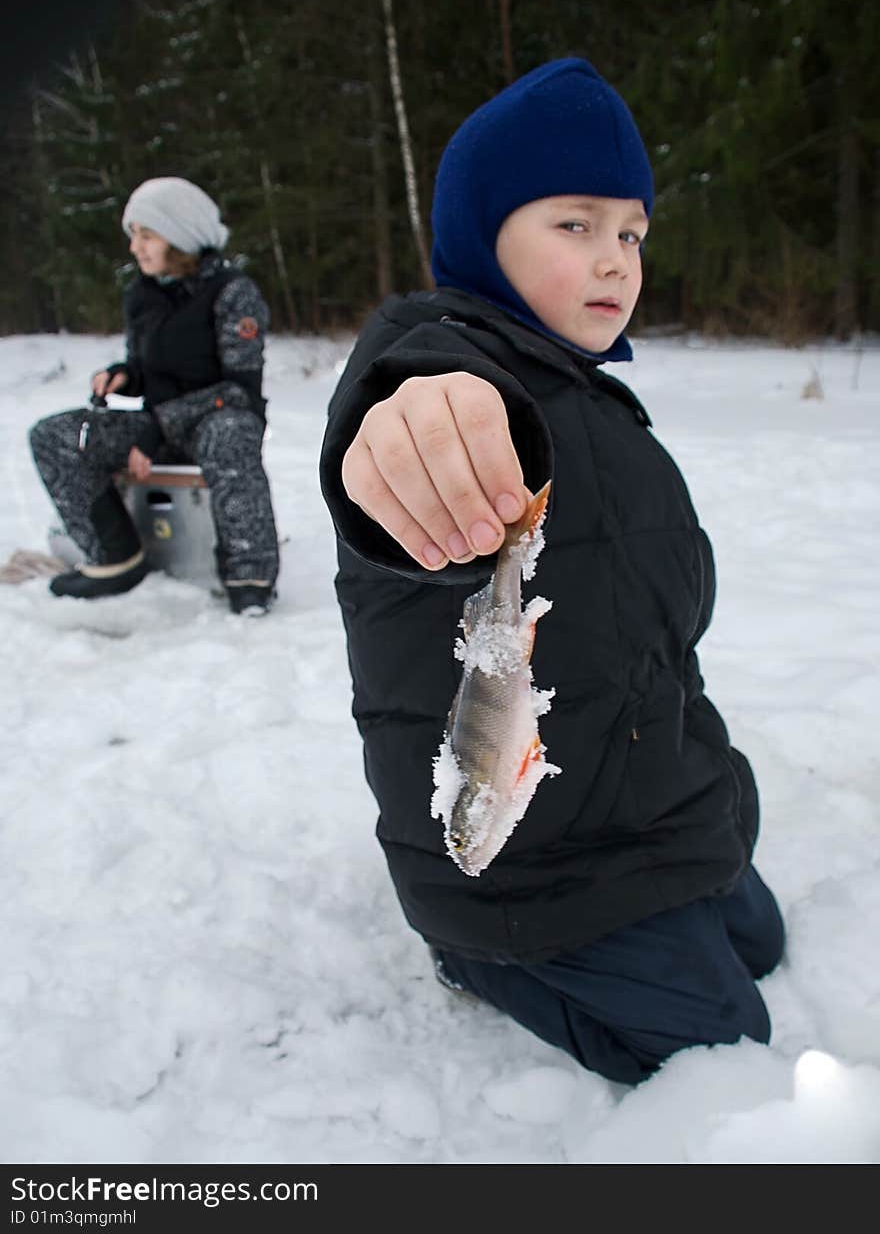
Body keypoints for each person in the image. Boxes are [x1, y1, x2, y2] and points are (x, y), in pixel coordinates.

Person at [319, 59, 785, 1085]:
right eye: (573, 225)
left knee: (763, 938)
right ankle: (476, 952)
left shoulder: (596, 399)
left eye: (630, 232)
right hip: (531, 860)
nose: (615, 259)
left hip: (640, 798)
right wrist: (413, 430)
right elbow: (419, 414)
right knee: (726, 1044)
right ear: (482, 235)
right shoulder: (444, 355)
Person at [30, 176, 280, 616]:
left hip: (218, 418)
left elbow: (240, 389)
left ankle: (250, 575)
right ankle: (113, 557)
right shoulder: (141, 294)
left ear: (180, 235)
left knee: (232, 433)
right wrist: (123, 376)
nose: (135, 247)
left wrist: (157, 427)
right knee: (55, 435)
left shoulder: (232, 291)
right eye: (133, 236)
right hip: (157, 424)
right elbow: (146, 369)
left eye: (146, 234)